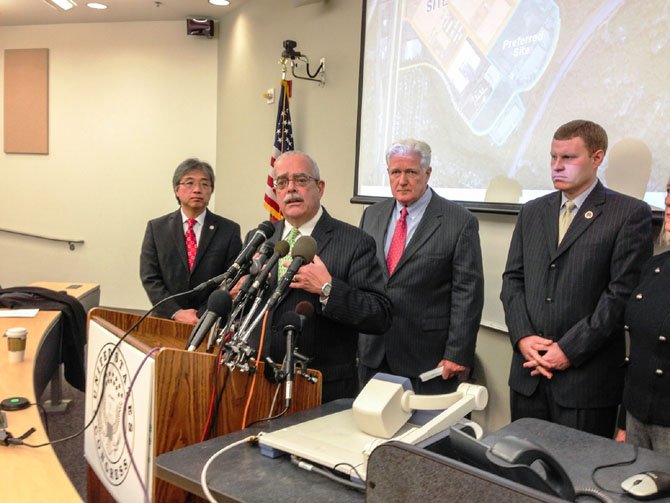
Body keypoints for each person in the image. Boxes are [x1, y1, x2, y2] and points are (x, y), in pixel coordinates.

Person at [500, 119, 653, 438]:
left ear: (597, 158)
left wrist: (568, 350)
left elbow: (620, 295)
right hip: (529, 376)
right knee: (521, 474)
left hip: (584, 383)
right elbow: (513, 279)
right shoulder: (532, 211)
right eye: (553, 157)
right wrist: (523, 337)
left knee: (575, 480)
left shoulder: (628, 214)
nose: (557, 166)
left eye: (568, 158)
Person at [251, 150, 392, 403]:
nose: (291, 189)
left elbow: (379, 315)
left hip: (322, 388)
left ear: (320, 187)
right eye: (282, 182)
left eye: (301, 180)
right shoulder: (261, 237)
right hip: (259, 382)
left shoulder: (355, 242)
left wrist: (328, 288)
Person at [358, 139, 484, 394]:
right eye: (395, 172)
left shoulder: (459, 221)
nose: (402, 180)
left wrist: (458, 353)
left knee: (423, 433)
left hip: (427, 359)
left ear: (427, 173)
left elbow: (467, 293)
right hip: (374, 353)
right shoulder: (372, 215)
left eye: (411, 172)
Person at [140, 158, 242, 323]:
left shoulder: (229, 230)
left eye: (204, 184)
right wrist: (176, 312)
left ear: (211, 190)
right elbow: (150, 277)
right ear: (176, 190)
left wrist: (202, 315)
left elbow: (231, 279)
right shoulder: (156, 228)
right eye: (189, 183)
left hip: (210, 321)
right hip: (166, 319)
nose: (197, 190)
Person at [621, 177, 670, 454]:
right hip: (636, 417)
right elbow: (637, 353)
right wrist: (623, 423)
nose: (668, 201)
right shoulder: (655, 266)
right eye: (668, 191)